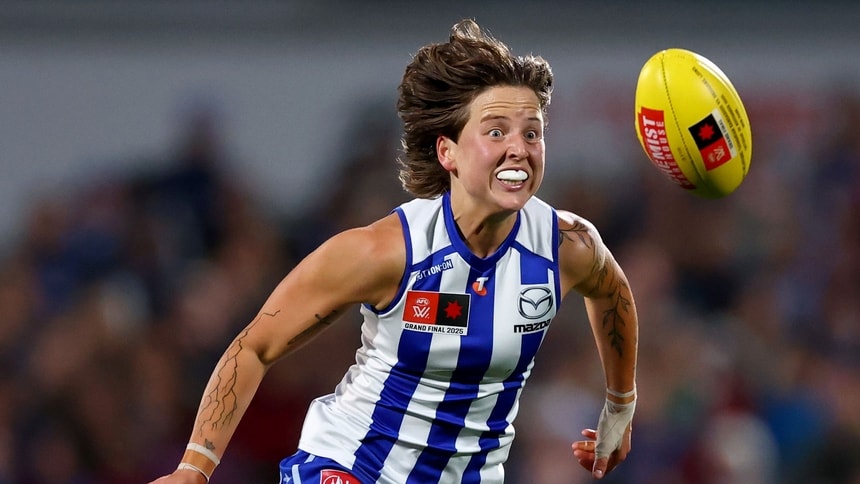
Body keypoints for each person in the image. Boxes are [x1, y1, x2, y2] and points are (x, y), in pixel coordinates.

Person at [149, 18, 638, 484]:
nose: (519, 148)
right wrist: (196, 466)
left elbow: (613, 294)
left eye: (532, 133)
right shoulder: (384, 251)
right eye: (496, 132)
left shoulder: (565, 246)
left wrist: (620, 405)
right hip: (348, 467)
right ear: (448, 152)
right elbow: (256, 346)